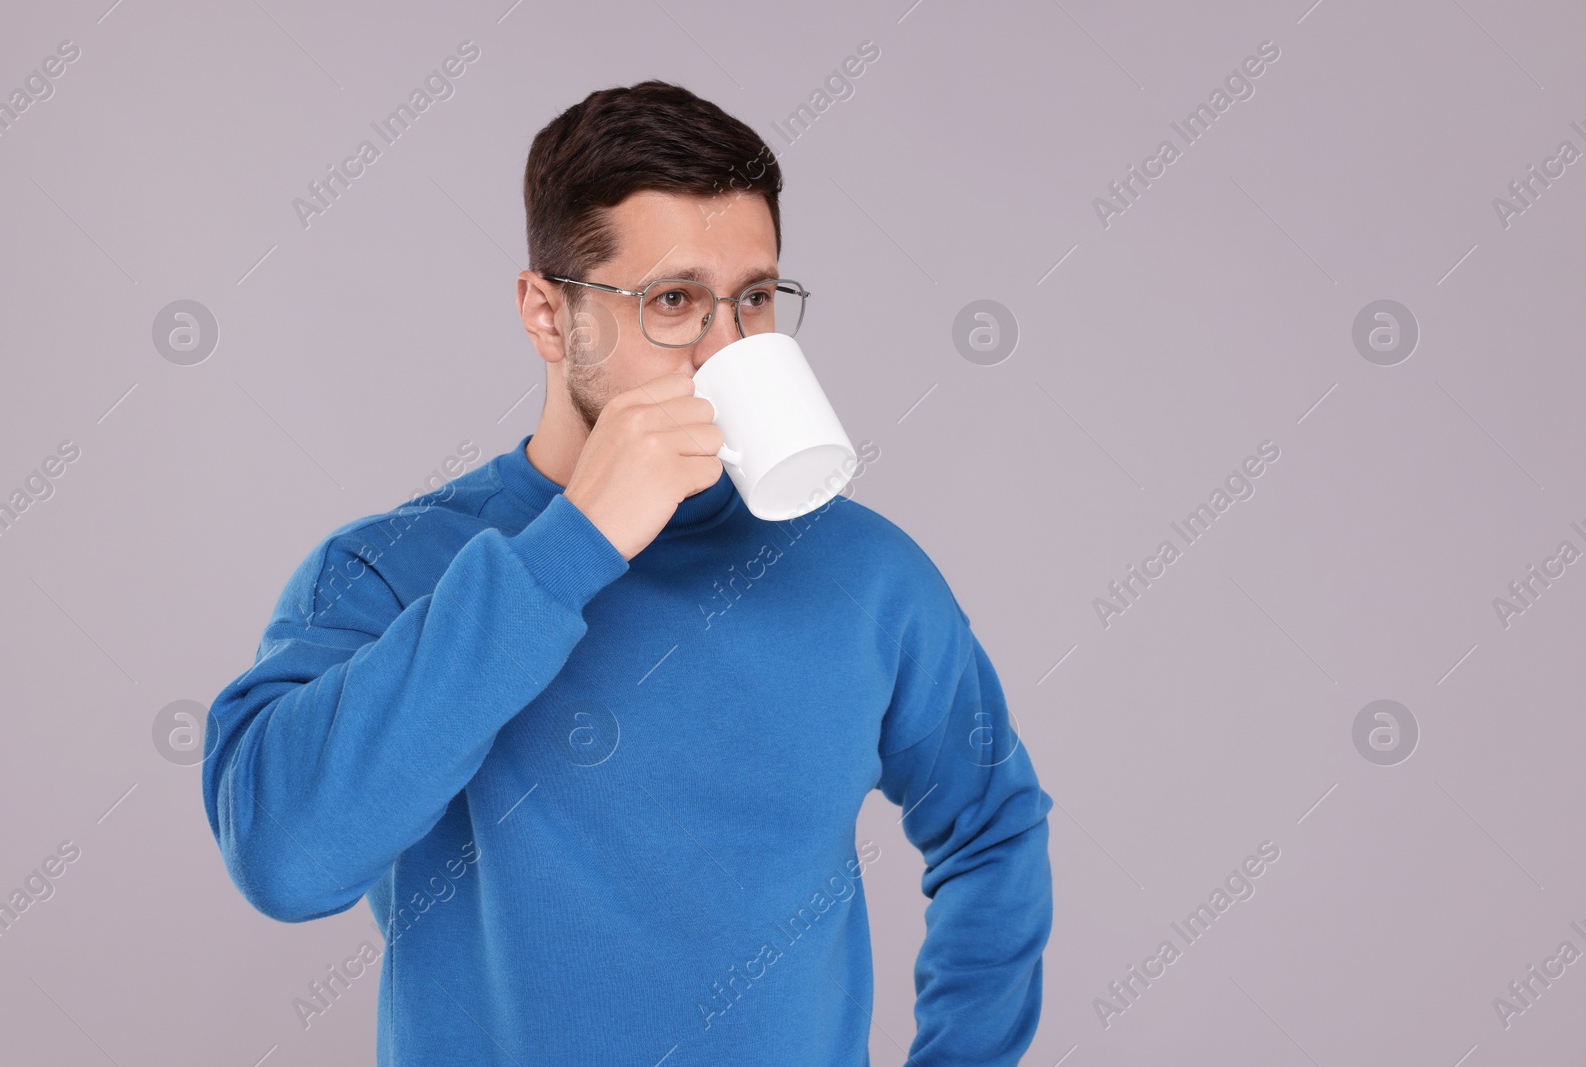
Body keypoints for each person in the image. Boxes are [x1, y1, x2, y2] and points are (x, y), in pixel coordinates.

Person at [201, 78, 1053, 1067]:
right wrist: (577, 540)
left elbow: (992, 829)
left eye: (755, 300)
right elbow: (284, 858)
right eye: (675, 301)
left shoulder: (868, 576)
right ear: (548, 315)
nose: (727, 347)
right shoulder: (387, 571)